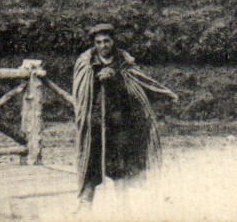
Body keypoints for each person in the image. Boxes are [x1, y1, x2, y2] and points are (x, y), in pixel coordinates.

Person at [73, 23, 179, 208]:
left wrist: (115, 77)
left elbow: (138, 87)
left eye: (106, 41)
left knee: (119, 166)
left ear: (113, 41)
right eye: (98, 42)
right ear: (94, 44)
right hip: (95, 124)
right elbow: (82, 93)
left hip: (120, 123)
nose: (103, 45)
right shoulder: (86, 64)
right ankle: (84, 207)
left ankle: (123, 208)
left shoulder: (124, 62)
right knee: (91, 164)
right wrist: (98, 80)